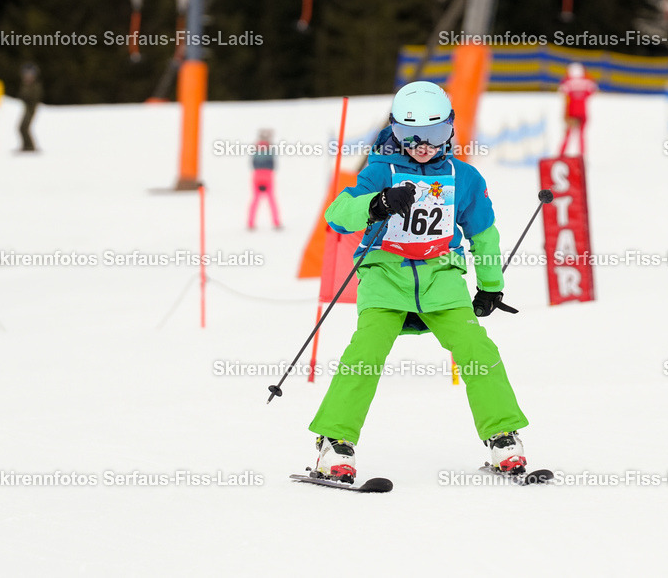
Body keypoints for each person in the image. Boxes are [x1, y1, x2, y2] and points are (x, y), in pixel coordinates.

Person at [307, 81, 529, 482]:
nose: (422, 145)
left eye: (434, 134)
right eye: (410, 136)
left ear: (451, 129)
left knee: (477, 348)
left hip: (441, 279)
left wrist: (491, 285)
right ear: (394, 130)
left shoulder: (465, 177)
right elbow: (338, 214)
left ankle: (502, 435)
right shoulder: (381, 170)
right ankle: (334, 442)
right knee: (366, 353)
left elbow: (484, 234)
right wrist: (375, 204)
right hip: (384, 275)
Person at [557, 62, 597, 157]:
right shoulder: (586, 82)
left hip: (571, 112)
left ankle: (561, 155)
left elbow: (563, 94)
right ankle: (581, 157)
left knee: (568, 135)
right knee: (581, 136)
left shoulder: (568, 82)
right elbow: (593, 89)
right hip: (583, 112)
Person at [247, 129, 282, 230]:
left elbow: (253, 162)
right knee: (271, 200)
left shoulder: (256, 147)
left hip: (257, 176)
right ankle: (276, 222)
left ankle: (250, 223)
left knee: (255, 200)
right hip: (268, 176)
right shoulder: (270, 148)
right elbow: (273, 163)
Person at [17, 63, 43, 152]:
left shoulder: (35, 86)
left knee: (24, 127)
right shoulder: (26, 85)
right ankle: (26, 146)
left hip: (31, 109)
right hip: (27, 108)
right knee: (22, 128)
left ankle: (30, 147)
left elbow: (32, 97)